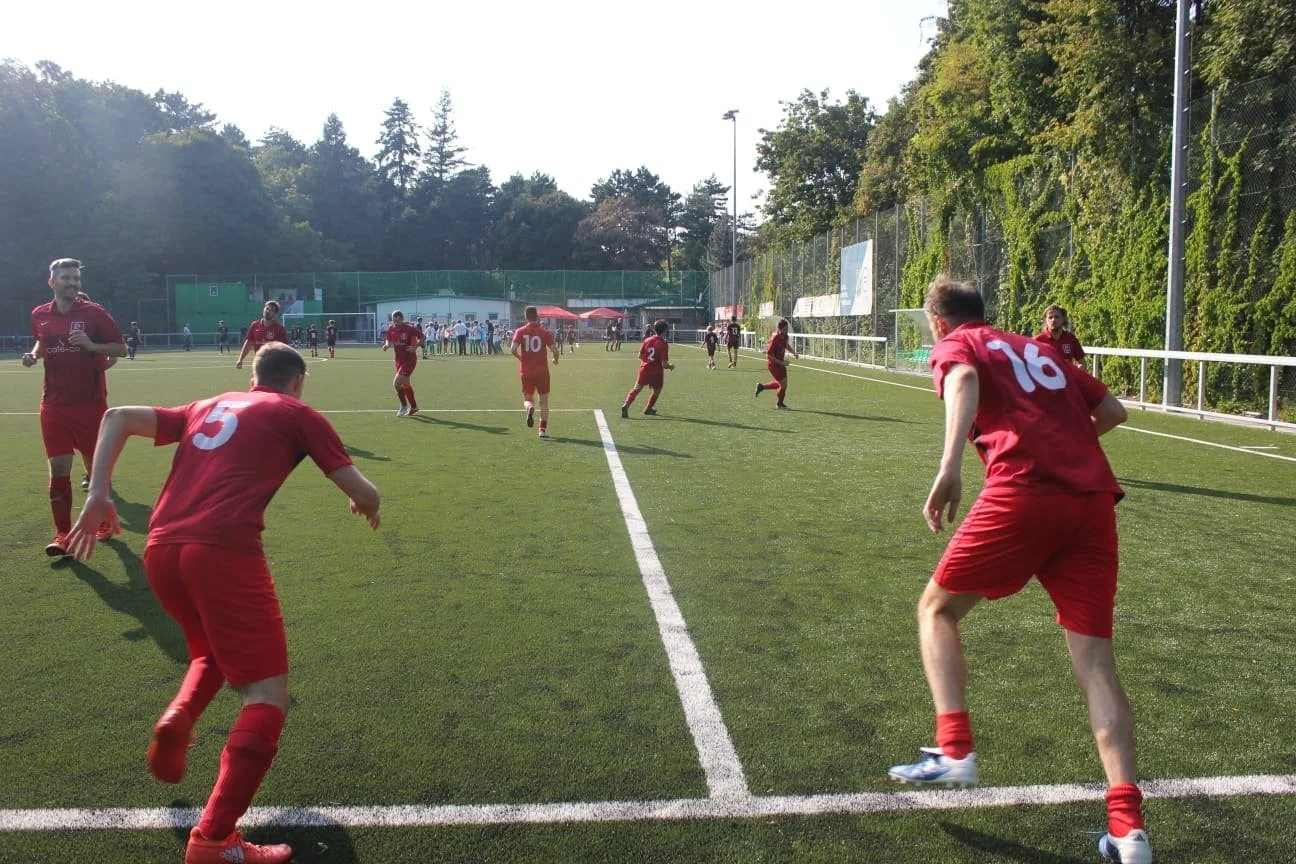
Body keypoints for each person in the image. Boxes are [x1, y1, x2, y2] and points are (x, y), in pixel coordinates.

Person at [65, 342, 381, 864]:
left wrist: (99, 492)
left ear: (254, 376)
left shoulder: (205, 405)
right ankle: (213, 840)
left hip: (161, 550)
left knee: (209, 651)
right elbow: (364, 492)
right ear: (297, 380)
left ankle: (179, 717)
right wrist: (364, 501)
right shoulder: (296, 411)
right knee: (266, 695)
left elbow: (116, 415)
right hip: (222, 551)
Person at [886, 277, 1149, 864]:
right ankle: (1129, 833)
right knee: (1097, 665)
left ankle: (954, 750)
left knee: (936, 609)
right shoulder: (1038, 347)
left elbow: (964, 378)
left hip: (1024, 493)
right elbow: (1112, 410)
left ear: (938, 321)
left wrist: (951, 466)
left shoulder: (961, 346)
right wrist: (1063, 442)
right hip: (1093, 503)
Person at [23, 259, 128, 554]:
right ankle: (62, 535)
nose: (72, 283)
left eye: (76, 279)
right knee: (58, 468)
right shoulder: (39, 315)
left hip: (91, 406)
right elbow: (41, 343)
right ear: (52, 282)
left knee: (96, 469)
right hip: (54, 405)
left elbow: (121, 348)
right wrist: (33, 355)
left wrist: (92, 347)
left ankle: (104, 521)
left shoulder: (94, 313)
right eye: (66, 278)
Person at [510, 306, 560, 438]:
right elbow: (555, 350)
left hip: (526, 371)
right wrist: (555, 360)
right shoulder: (544, 332)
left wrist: (521, 358)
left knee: (527, 399)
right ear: (537, 316)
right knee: (544, 402)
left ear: (525, 317)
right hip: (542, 371)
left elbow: (513, 349)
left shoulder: (520, 331)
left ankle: (529, 408)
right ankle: (542, 430)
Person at [620, 320, 674, 418]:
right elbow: (664, 364)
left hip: (644, 369)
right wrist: (671, 366)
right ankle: (648, 409)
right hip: (656, 372)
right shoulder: (663, 344)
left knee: (637, 388)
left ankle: (626, 405)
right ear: (665, 330)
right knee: (657, 391)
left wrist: (648, 361)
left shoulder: (647, 340)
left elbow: (640, 356)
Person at [382, 310, 423, 416]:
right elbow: (388, 339)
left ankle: (404, 406)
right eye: (394, 320)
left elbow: (423, 337)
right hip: (399, 360)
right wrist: (386, 345)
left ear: (401, 318)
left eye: (397, 320)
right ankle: (414, 406)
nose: (395, 322)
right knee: (405, 384)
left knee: (396, 383)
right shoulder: (392, 328)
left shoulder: (409, 328)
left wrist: (414, 347)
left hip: (409, 359)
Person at [755, 317, 798, 409]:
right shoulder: (775, 338)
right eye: (785, 329)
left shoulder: (785, 336)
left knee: (782, 384)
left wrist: (793, 352)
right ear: (779, 329)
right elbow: (769, 356)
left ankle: (762, 387)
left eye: (787, 329)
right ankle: (779, 404)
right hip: (773, 365)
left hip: (780, 364)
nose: (786, 331)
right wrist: (782, 363)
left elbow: (786, 345)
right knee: (783, 385)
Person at [235, 301, 288, 370]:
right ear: (263, 309)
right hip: (259, 364)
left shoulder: (279, 329)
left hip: (273, 365)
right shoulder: (255, 325)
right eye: (267, 308)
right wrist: (240, 359)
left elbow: (284, 348)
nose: (268, 311)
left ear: (275, 314)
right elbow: (248, 343)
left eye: (271, 310)